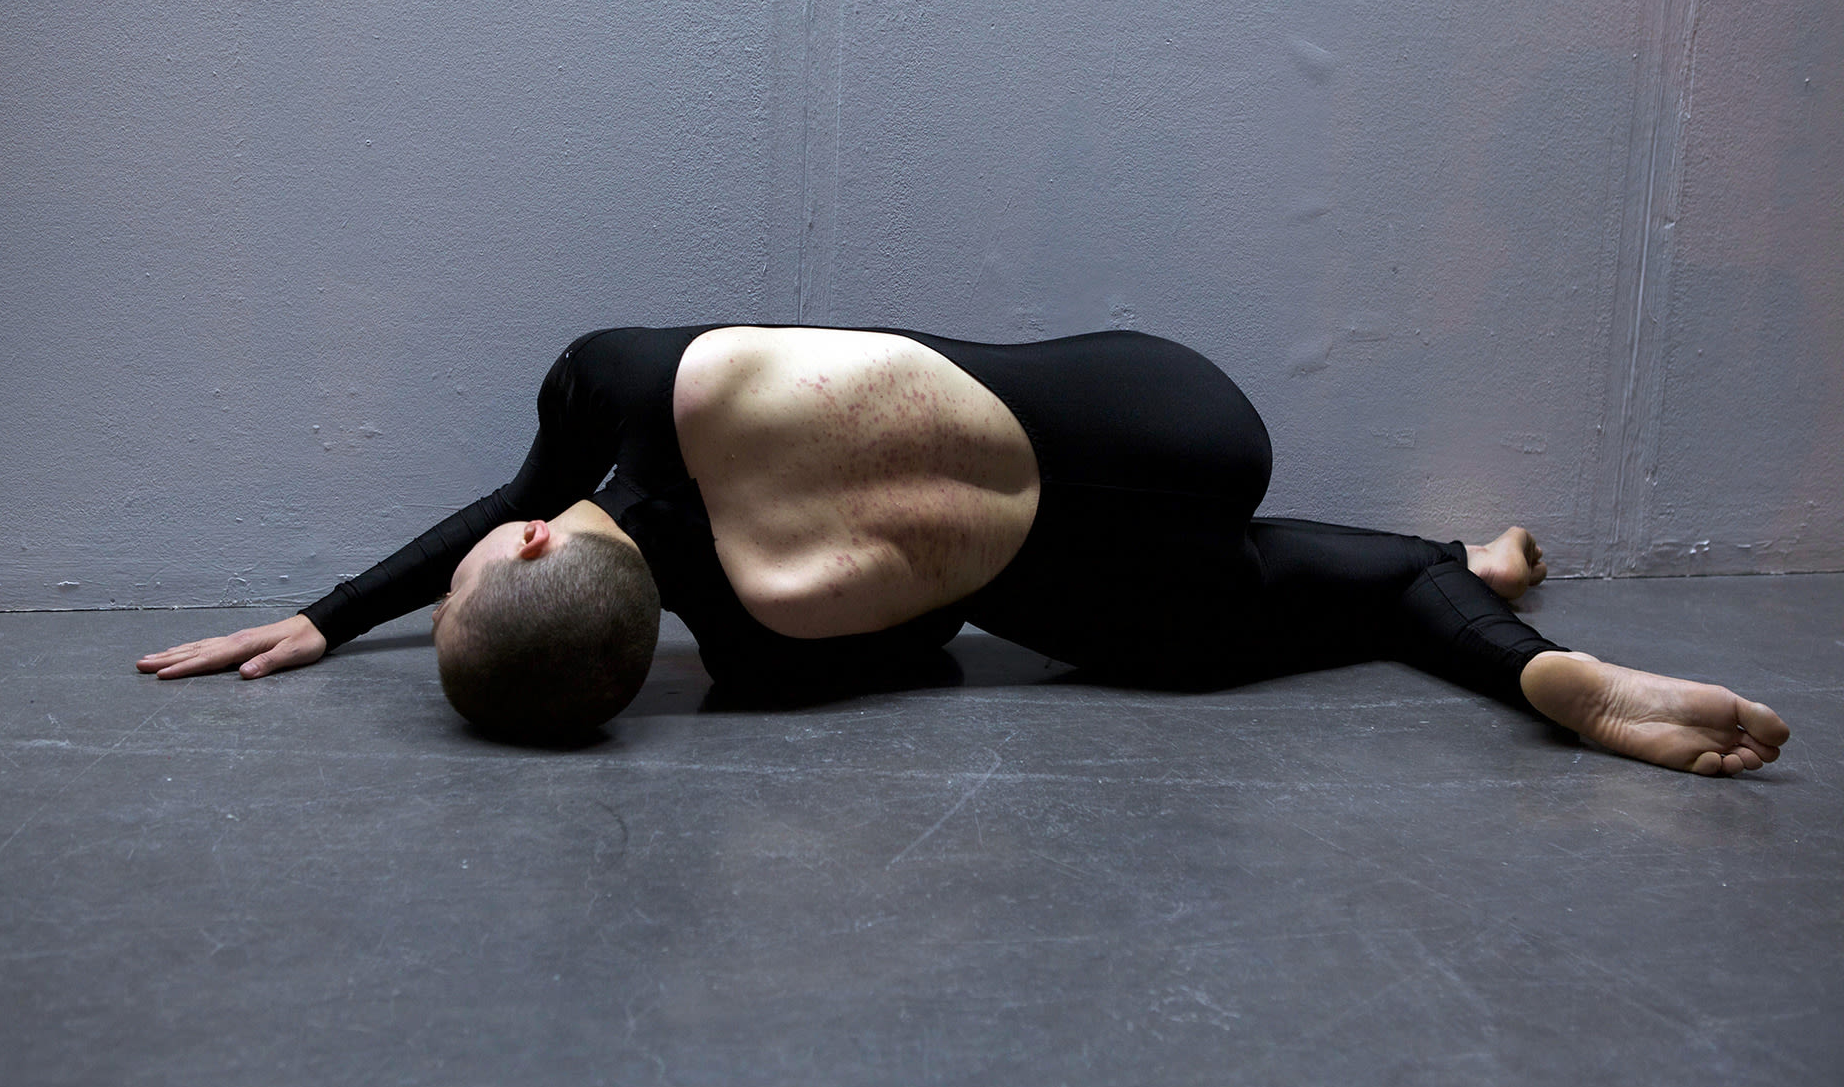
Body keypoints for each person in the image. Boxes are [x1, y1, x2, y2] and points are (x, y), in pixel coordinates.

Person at [138, 325, 1790, 776]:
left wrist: (326, 620)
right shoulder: (630, 375)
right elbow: (502, 505)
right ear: (522, 542)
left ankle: (1477, 610)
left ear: (653, 660)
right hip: (1156, 411)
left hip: (1107, 603)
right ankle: (1495, 595)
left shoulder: (771, 663)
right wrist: (334, 605)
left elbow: (926, 648)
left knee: (1315, 598)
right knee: (1292, 541)